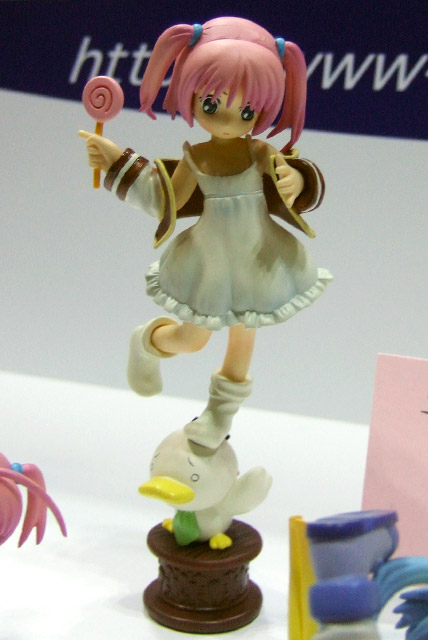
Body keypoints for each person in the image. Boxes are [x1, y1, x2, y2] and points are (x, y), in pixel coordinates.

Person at [79, 17, 332, 449]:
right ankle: (148, 342)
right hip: (210, 262)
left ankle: (219, 414)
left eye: (247, 112)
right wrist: (117, 160)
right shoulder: (196, 158)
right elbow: (163, 200)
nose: (230, 120)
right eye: (212, 104)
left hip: (258, 259)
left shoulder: (260, 151)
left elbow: (292, 180)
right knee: (192, 339)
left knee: (243, 340)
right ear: (191, 94)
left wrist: (296, 181)